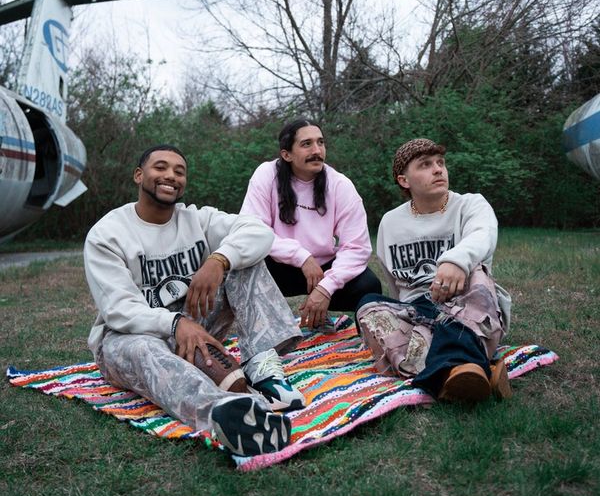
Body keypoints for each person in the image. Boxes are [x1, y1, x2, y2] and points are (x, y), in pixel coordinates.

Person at [84, 144, 305, 458]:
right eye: (160, 167)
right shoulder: (108, 234)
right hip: (132, 338)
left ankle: (265, 374)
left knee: (246, 261)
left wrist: (219, 259)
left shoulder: (197, 220)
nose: (170, 176)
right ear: (139, 175)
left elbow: (259, 231)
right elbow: (118, 310)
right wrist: (174, 324)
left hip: (198, 326)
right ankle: (228, 415)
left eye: (179, 171)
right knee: (143, 349)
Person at [356, 138, 512, 402]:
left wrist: (456, 260)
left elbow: (483, 234)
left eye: (440, 163)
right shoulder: (390, 222)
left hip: (464, 302)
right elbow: (395, 284)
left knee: (478, 273)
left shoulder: (471, 204)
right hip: (417, 312)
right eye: (425, 165)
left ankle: (439, 372)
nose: (438, 169)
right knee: (368, 304)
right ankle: (470, 370)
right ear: (404, 180)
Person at [240, 118, 382, 330]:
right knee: (242, 271)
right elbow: (252, 229)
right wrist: (302, 257)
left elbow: (356, 247)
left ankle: (371, 339)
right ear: (286, 154)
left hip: (324, 268)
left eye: (321, 142)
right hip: (278, 265)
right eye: (307, 144)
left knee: (369, 286)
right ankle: (266, 333)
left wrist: (326, 287)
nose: (317, 150)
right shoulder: (266, 174)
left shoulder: (340, 185)